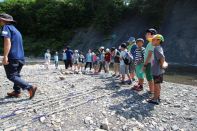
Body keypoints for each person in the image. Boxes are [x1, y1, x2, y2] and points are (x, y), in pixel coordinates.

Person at [0, 13, 37, 99]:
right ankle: (16, 91)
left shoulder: (6, 27)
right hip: (20, 57)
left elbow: (7, 41)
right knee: (16, 75)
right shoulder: (16, 30)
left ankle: (29, 87)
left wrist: (5, 56)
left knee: (11, 76)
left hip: (13, 56)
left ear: (2, 20)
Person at [147, 34, 166, 105]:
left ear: (158, 40)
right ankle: (157, 97)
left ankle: (155, 99)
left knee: (156, 84)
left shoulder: (156, 48)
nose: (152, 41)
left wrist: (162, 65)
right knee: (157, 84)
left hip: (157, 71)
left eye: (153, 40)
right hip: (158, 71)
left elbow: (162, 57)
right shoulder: (159, 47)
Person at [143, 28, 157, 95]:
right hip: (152, 62)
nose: (146, 35)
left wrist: (145, 65)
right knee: (150, 77)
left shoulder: (152, 43)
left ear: (153, 35)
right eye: (146, 34)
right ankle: (152, 90)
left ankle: (152, 91)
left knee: (149, 77)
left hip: (149, 63)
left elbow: (149, 55)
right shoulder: (151, 42)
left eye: (148, 34)